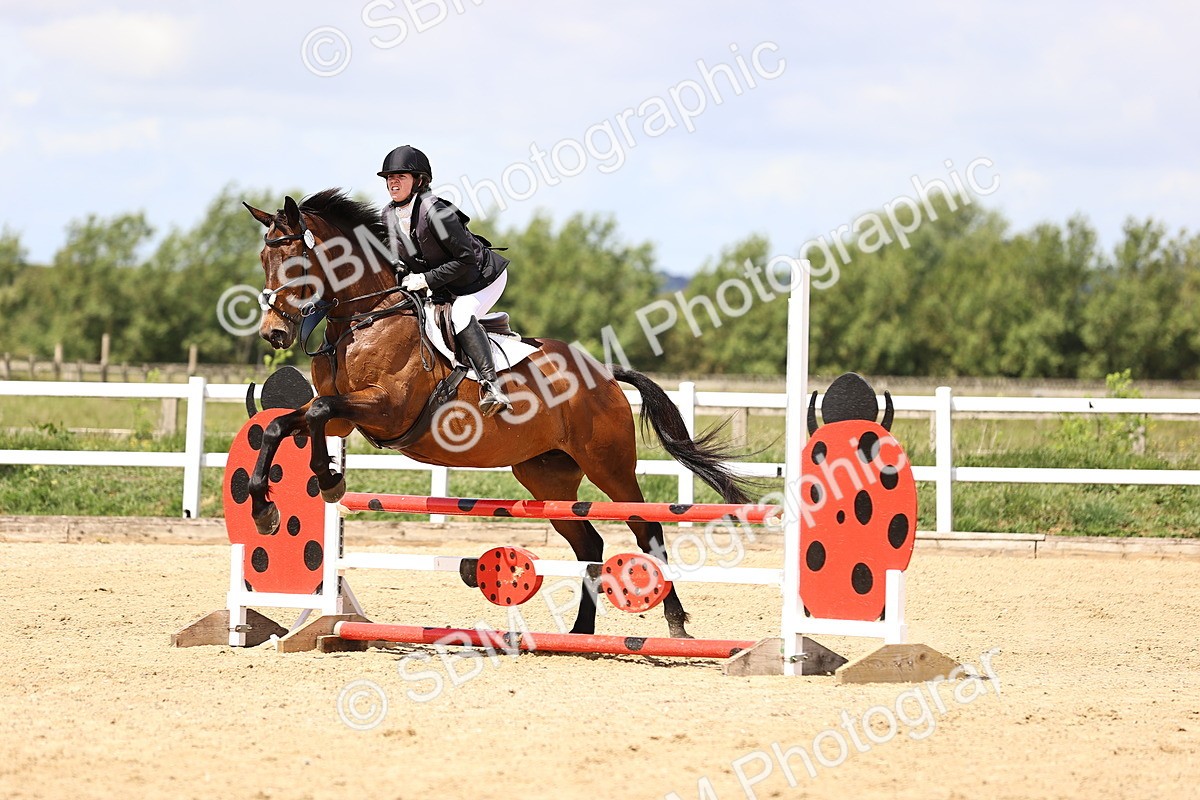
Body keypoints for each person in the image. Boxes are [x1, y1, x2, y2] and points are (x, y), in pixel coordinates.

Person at [377, 145, 513, 418]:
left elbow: (466, 261)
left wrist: (426, 279)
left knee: (461, 316)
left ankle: (492, 387)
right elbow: (397, 259)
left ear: (419, 180)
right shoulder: (388, 215)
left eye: (401, 176)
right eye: (389, 177)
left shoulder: (436, 212)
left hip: (481, 279)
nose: (393, 181)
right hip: (447, 284)